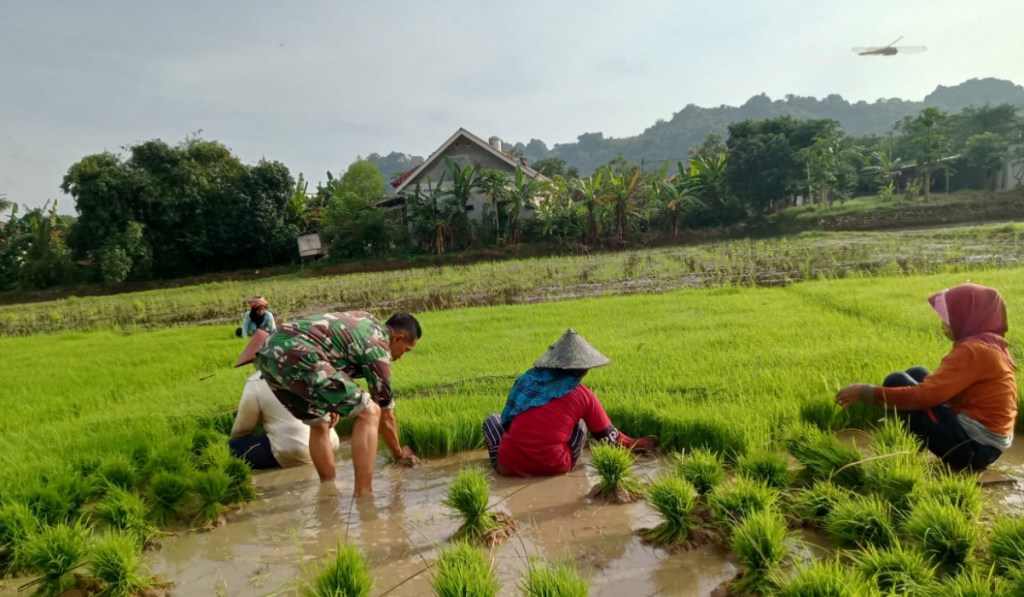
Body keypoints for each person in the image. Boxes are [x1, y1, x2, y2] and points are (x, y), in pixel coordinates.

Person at [835, 283, 1017, 472]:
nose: (942, 324)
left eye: (948, 318)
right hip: (986, 445)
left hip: (975, 448)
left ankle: (904, 458)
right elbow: (940, 390)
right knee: (917, 373)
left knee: (896, 381)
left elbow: (925, 396)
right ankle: (909, 454)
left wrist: (867, 393)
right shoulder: (990, 345)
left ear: (966, 316)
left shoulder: (973, 350)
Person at [255, 311, 421, 494]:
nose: (402, 356)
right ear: (398, 338)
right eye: (406, 350)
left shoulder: (365, 319)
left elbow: (333, 351)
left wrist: (330, 402)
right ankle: (364, 495)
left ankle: (329, 490)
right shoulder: (378, 347)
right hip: (300, 353)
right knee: (370, 411)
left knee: (319, 421)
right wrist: (399, 454)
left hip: (266, 354)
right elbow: (385, 413)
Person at [483, 329, 659, 477]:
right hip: (555, 467)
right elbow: (609, 438)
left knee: (492, 420)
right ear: (583, 370)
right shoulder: (583, 396)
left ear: (551, 364)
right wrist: (636, 444)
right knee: (581, 421)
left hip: (509, 467)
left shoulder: (526, 381)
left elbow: (506, 423)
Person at [229, 372, 342, 469]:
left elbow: (242, 429)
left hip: (296, 450)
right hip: (329, 443)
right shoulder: (311, 368)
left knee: (233, 445)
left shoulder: (256, 381)